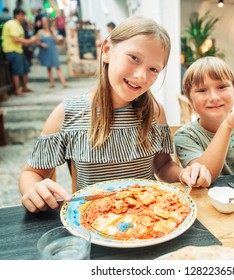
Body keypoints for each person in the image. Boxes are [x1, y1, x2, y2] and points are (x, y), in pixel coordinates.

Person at [18, 16, 211, 213]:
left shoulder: (155, 111)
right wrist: (34, 188)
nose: (141, 77)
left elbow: (163, 166)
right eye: (134, 58)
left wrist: (185, 174)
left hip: (148, 218)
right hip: (95, 221)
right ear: (107, 50)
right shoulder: (67, 114)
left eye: (153, 69)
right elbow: (32, 173)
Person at [1, 8, 35, 96]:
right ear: (16, 15)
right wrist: (29, 41)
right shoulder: (12, 24)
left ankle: (24, 86)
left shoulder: (18, 24)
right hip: (12, 50)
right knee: (17, 71)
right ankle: (17, 89)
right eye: (21, 15)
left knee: (24, 69)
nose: (23, 17)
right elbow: (15, 39)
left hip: (18, 50)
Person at [35, 16, 67, 88]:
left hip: (52, 50)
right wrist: (41, 44)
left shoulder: (52, 31)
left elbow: (57, 41)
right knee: (49, 67)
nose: (44, 23)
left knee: (57, 66)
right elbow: (36, 41)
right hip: (45, 51)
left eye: (45, 21)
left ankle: (63, 82)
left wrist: (61, 41)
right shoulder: (40, 32)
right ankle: (52, 82)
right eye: (43, 22)